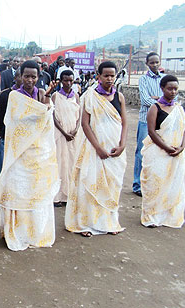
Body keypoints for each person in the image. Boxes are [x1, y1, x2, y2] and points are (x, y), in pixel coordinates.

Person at [0, 60, 59, 251]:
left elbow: (46, 118)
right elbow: (11, 122)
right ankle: (17, 231)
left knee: (36, 190)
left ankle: (35, 232)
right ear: (19, 77)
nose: (30, 80)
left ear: (39, 77)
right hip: (18, 152)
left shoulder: (41, 93)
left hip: (38, 152)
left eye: (34, 76)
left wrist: (46, 97)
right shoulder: (14, 96)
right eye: (26, 76)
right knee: (18, 190)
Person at [65, 61, 128, 237]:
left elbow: (124, 123)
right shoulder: (90, 96)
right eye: (106, 75)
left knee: (112, 186)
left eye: (112, 76)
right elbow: (85, 124)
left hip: (115, 149)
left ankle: (109, 222)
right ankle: (86, 224)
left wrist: (122, 144)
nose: (109, 79)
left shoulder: (119, 97)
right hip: (94, 149)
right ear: (98, 76)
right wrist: (98, 148)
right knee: (91, 185)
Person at [141, 75, 185, 228]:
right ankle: (152, 216)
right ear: (162, 89)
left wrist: (181, 147)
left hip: (177, 153)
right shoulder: (155, 108)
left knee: (173, 184)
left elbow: (184, 130)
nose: (173, 92)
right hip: (158, 152)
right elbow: (152, 132)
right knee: (156, 183)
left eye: (175, 89)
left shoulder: (179, 109)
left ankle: (168, 216)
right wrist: (166, 147)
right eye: (169, 89)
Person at [132, 52, 164, 197]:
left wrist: (156, 100)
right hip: (145, 120)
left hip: (162, 122)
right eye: (152, 62)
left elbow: (173, 97)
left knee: (158, 152)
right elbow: (145, 100)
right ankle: (137, 184)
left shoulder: (164, 79)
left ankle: (153, 183)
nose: (155, 65)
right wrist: (161, 102)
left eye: (157, 62)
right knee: (141, 152)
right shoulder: (143, 79)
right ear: (147, 64)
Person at [52, 70, 80, 207]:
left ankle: (69, 195)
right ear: (61, 81)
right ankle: (57, 196)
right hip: (60, 134)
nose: (68, 83)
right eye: (65, 80)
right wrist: (64, 132)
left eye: (71, 80)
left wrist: (75, 130)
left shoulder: (76, 96)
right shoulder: (55, 96)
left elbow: (79, 116)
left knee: (71, 164)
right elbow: (53, 117)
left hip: (73, 136)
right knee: (59, 163)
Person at [0, 68, 22, 175]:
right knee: (3, 171)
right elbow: (0, 117)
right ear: (15, 78)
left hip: (23, 139)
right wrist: (4, 134)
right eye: (22, 76)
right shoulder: (5, 95)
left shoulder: (32, 94)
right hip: (7, 138)